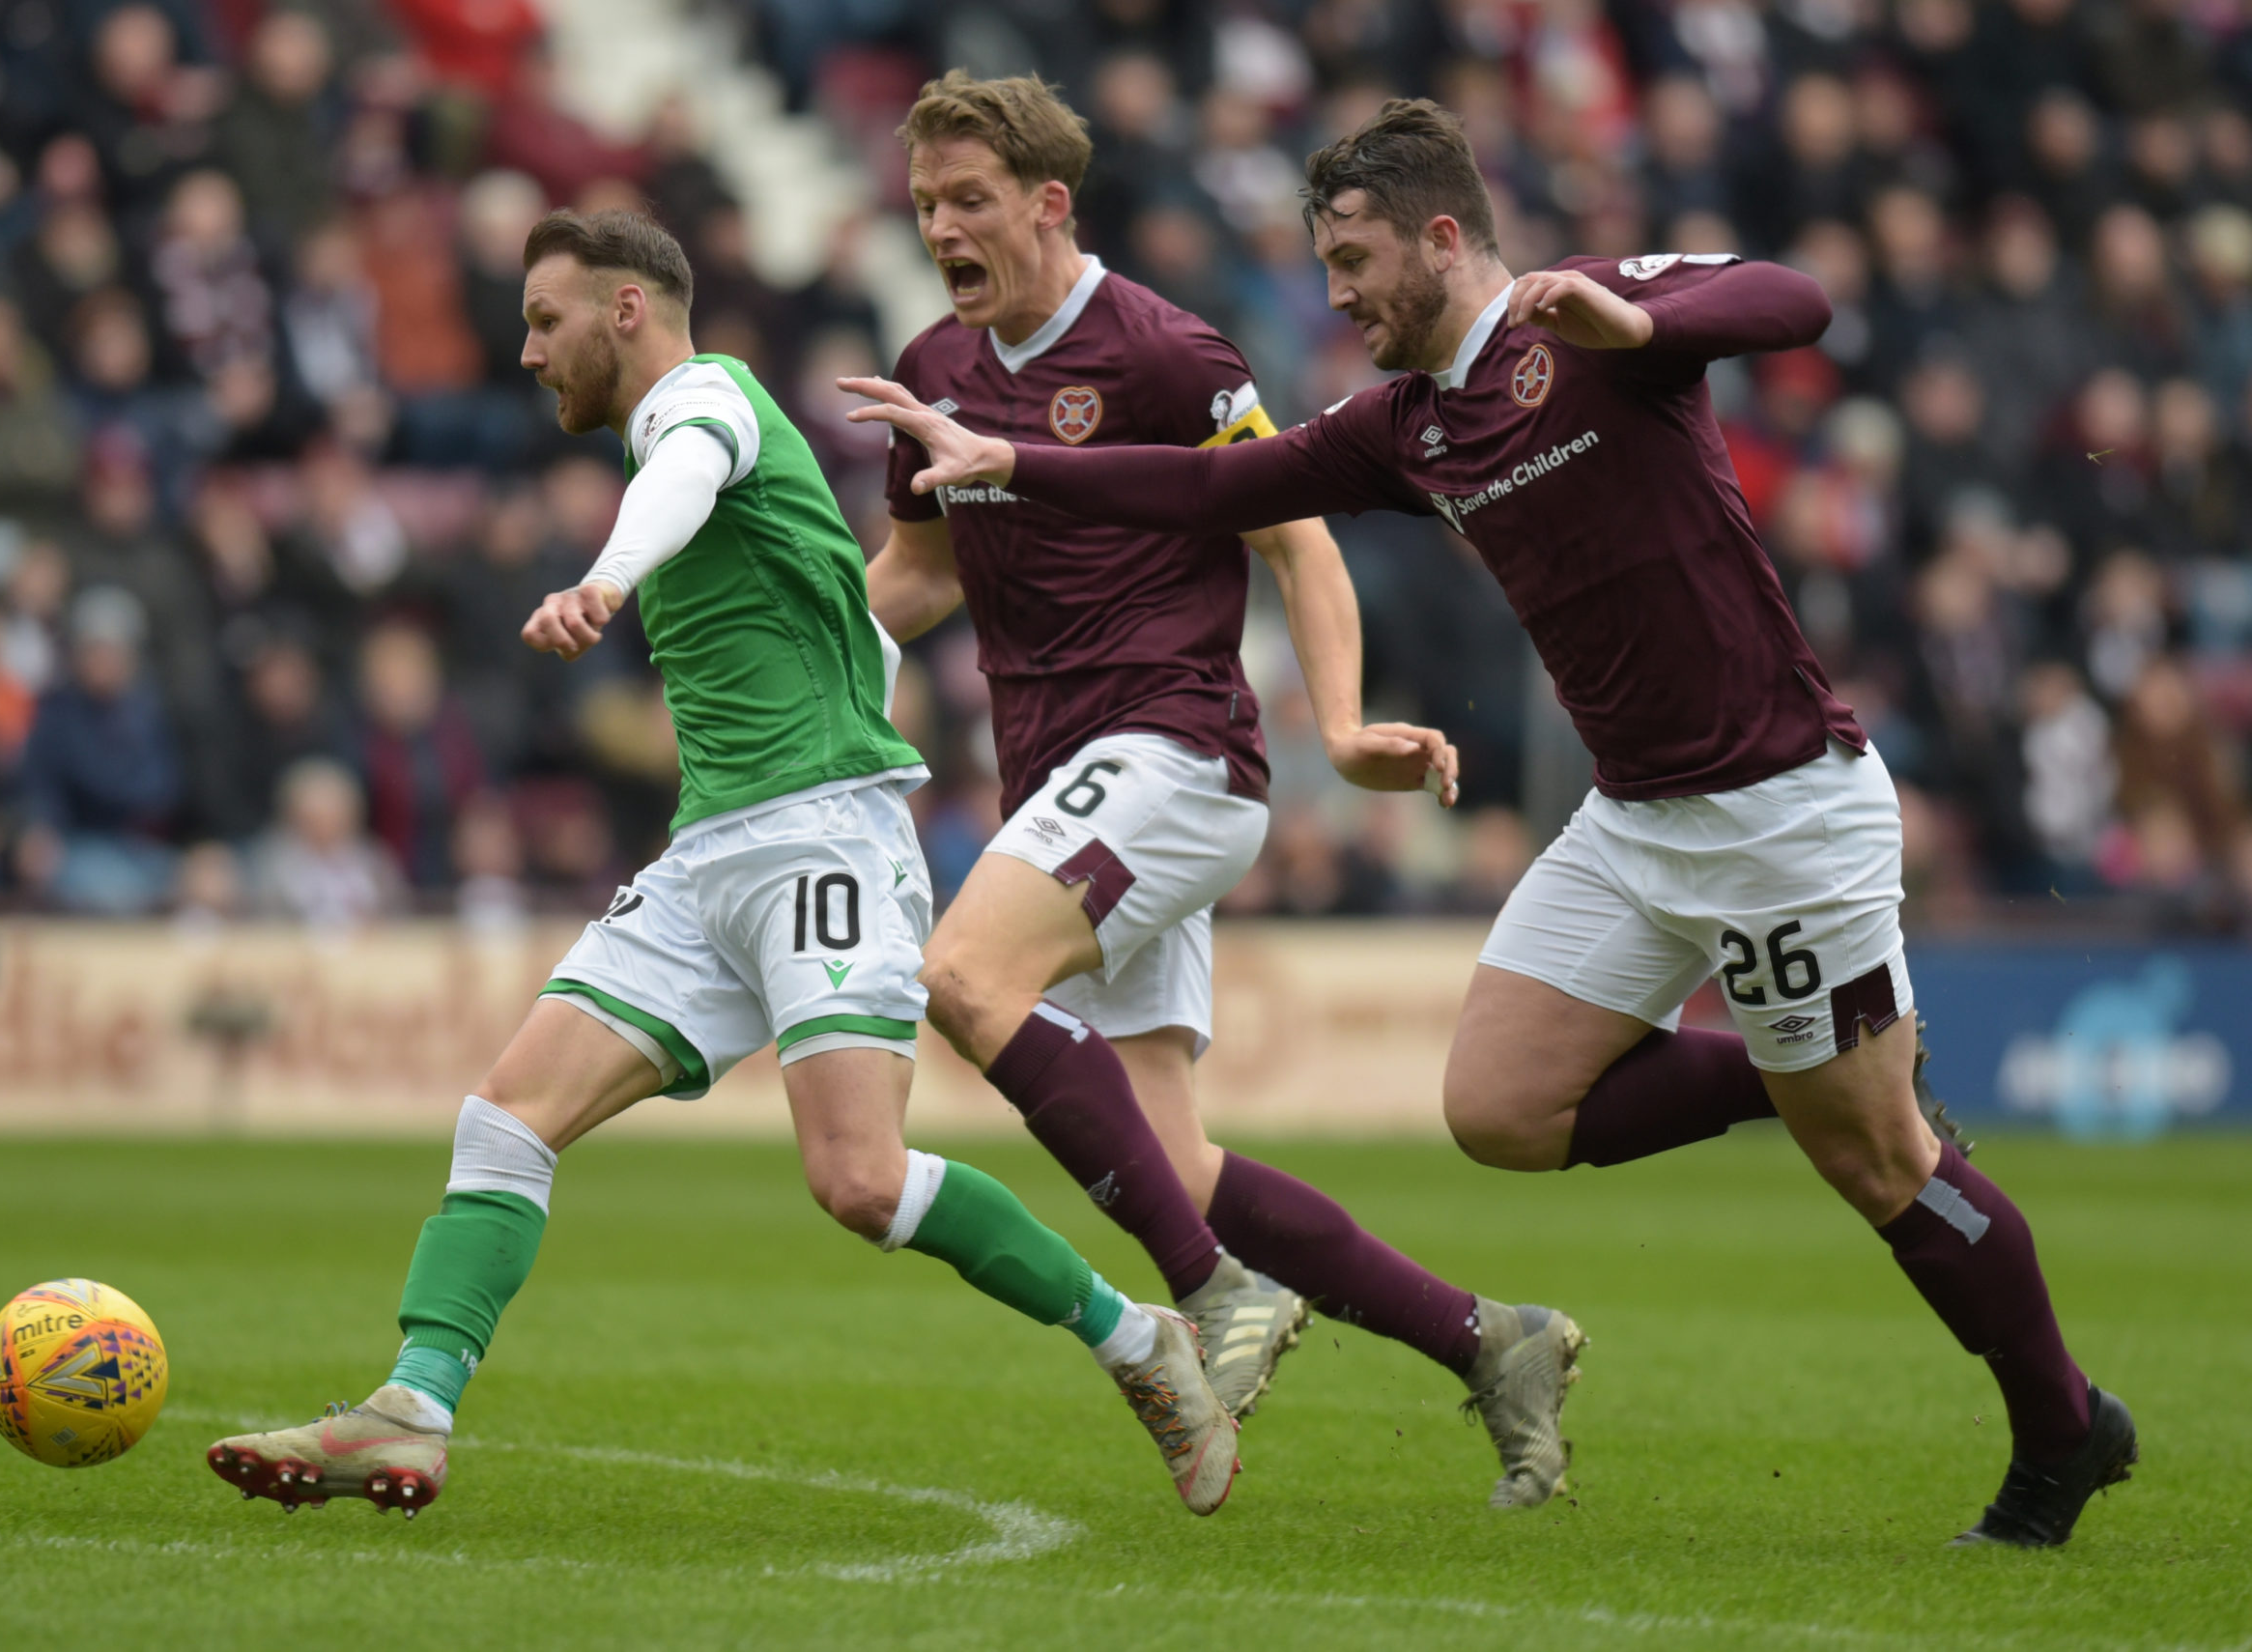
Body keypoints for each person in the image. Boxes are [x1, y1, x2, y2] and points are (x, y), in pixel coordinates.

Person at [845, 99, 2134, 1551]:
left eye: (1352, 262)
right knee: (1500, 1110)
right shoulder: (1406, 421)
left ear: (1441, 237)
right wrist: (1016, 462)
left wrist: (1643, 325)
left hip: (1783, 808)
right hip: (1638, 819)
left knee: (1882, 1162)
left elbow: (1798, 299)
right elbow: (1217, 485)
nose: (1333, 295)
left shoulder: (1586, 325)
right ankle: (1807, 1075)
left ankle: (2061, 1428)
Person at [206, 208, 1242, 1521]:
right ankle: (411, 1408)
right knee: (507, 1114)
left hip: (827, 836)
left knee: (858, 1179)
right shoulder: (687, 421)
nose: (527, 352)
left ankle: (1135, 1336)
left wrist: (609, 579)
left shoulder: (707, 398)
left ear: (625, 309)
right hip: (710, 853)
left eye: (545, 320)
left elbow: (683, 469)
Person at [862, 71, 1584, 1510]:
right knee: (1170, 1159)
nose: (942, 225)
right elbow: (923, 572)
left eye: (970, 200)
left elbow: (1298, 540)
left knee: (961, 969)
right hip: (1062, 781)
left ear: (1049, 204)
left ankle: (1210, 1293)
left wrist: (1345, 721)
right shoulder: (934, 365)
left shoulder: (1162, 349)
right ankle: (1493, 1342)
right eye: (926, 202)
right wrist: (813, 654)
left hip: (1175, 753)